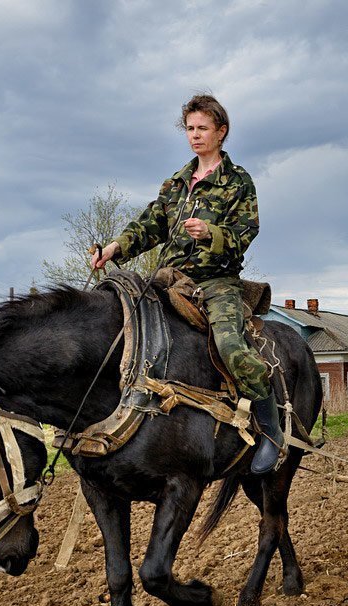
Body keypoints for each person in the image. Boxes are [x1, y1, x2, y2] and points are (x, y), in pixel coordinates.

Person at [91, 95, 280, 474]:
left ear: (221, 132)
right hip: (169, 277)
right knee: (125, 327)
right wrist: (114, 248)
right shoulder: (176, 183)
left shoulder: (238, 181)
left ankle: (271, 432)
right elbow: (150, 225)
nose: (195, 135)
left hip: (216, 281)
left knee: (231, 346)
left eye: (203, 129)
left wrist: (210, 232)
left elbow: (246, 233)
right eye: (190, 129)